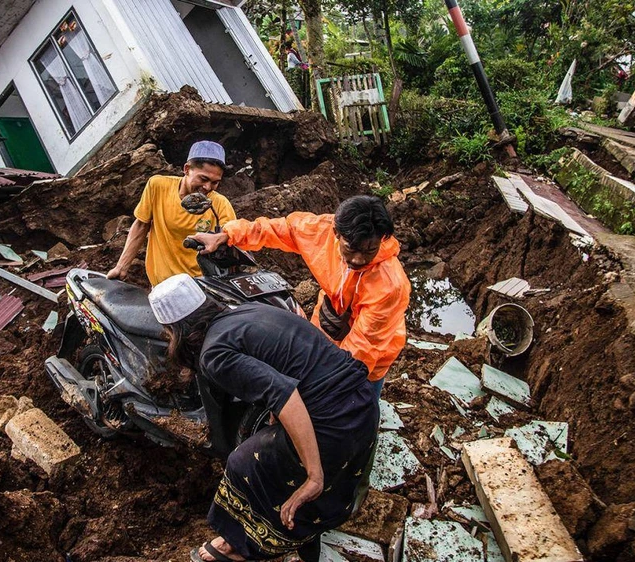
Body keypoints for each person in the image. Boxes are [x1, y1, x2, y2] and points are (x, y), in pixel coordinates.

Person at [147, 274, 378, 562]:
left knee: (243, 462)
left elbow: (285, 395)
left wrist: (314, 476)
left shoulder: (213, 354)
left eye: (167, 334)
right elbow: (290, 366)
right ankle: (304, 540)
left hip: (334, 421)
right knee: (274, 457)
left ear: (176, 331)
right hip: (363, 405)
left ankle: (240, 547)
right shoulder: (246, 311)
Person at [189, 195, 411, 397]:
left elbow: (362, 352)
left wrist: (322, 385)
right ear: (336, 233)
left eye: (369, 250)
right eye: (351, 249)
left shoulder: (389, 286)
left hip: (369, 357)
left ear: (382, 239)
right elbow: (280, 228)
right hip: (327, 325)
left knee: (357, 405)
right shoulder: (321, 231)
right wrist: (228, 235)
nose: (359, 259)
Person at [107, 140, 236, 285]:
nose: (207, 187)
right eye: (203, 178)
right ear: (187, 169)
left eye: (215, 182)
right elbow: (141, 226)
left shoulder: (219, 204)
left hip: (199, 286)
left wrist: (221, 238)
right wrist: (121, 267)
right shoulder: (158, 186)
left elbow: (231, 237)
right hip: (162, 285)